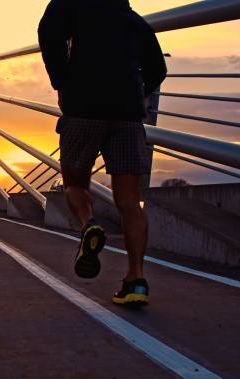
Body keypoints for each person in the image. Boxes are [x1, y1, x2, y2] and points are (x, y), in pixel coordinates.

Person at [38, 0, 167, 306]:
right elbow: (158, 68)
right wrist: (139, 92)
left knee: (74, 184)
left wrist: (62, 81)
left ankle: (89, 225)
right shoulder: (132, 19)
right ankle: (135, 281)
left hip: (82, 109)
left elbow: (48, 34)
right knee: (129, 201)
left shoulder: (67, 6)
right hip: (127, 115)